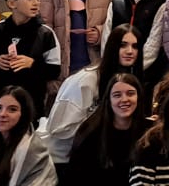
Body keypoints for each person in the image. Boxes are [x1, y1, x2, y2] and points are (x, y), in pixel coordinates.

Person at [40, 25, 144, 164]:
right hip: (62, 158)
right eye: (123, 45)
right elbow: (58, 128)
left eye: (135, 46)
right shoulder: (86, 80)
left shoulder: (128, 80)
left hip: (98, 156)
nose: (130, 51)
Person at [0, 0, 62, 110]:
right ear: (12, 3)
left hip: (32, 101)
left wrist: (32, 64)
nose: (36, 3)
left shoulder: (46, 33)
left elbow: (54, 71)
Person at [109, 0, 167, 86]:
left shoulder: (160, 3)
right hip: (115, 72)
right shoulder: (117, 1)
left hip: (146, 74)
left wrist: (133, 69)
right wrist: (113, 64)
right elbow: (107, 37)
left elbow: (154, 43)